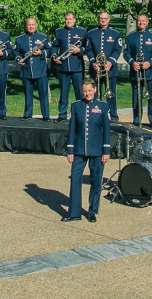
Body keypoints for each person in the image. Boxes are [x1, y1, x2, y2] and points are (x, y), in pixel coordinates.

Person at [63, 78, 111, 223]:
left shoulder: (103, 106)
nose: (87, 93)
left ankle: (92, 210)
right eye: (84, 91)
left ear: (95, 90)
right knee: (75, 179)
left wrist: (106, 151)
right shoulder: (76, 105)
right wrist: (70, 150)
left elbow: (107, 130)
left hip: (97, 150)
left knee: (96, 180)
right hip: (79, 149)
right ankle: (74, 212)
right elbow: (72, 129)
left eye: (89, 90)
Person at [123, 13, 152, 127]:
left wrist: (149, 63)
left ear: (147, 22)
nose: (141, 23)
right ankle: (137, 119)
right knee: (136, 98)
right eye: (139, 21)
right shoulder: (130, 36)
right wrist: (132, 62)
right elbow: (126, 53)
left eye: (143, 21)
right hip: (135, 72)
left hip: (150, 73)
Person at [85, 11, 122, 122]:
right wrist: (93, 62)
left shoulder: (116, 34)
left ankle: (113, 117)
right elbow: (89, 49)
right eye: (101, 18)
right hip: (95, 69)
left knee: (110, 94)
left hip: (109, 70)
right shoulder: (91, 33)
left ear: (109, 19)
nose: (103, 20)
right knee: (95, 94)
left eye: (105, 18)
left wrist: (110, 62)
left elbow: (117, 50)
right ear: (98, 19)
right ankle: (95, 116)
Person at [51, 12, 87, 123]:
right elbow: (54, 46)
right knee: (63, 92)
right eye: (66, 19)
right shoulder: (59, 31)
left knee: (79, 93)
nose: (68, 21)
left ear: (74, 20)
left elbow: (88, 48)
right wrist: (54, 56)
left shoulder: (82, 32)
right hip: (63, 68)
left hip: (77, 68)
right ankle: (62, 114)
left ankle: (80, 115)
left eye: (70, 19)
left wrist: (79, 50)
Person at [15, 18, 51, 121]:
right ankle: (27, 114)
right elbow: (15, 51)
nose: (31, 27)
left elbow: (51, 50)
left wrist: (41, 53)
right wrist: (18, 58)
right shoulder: (20, 38)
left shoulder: (43, 37)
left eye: (33, 25)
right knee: (28, 94)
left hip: (41, 70)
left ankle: (46, 115)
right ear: (26, 26)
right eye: (29, 25)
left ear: (36, 25)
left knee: (43, 94)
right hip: (26, 70)